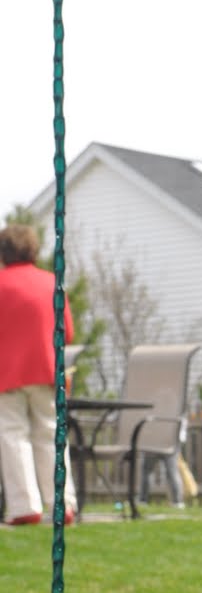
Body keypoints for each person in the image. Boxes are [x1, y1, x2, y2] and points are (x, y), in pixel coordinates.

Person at [0, 223, 78, 525]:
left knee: (12, 435)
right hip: (47, 372)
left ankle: (24, 507)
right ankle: (63, 503)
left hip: (6, 375)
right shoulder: (51, 283)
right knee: (51, 435)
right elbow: (67, 333)